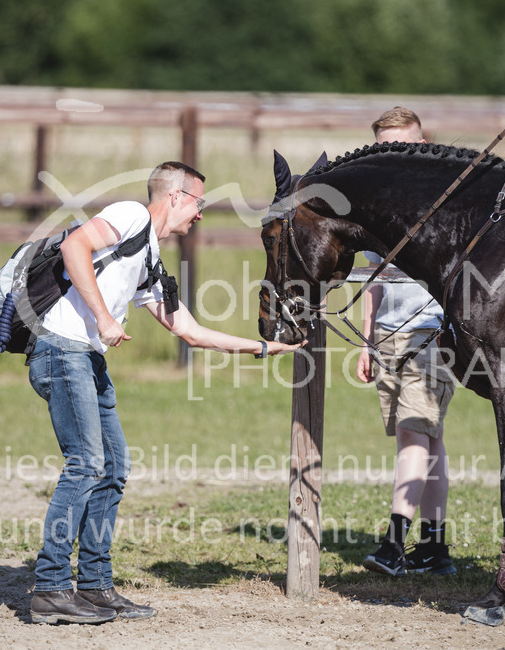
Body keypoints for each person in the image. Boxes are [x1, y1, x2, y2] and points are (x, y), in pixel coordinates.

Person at [28, 161, 303, 624]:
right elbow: (75, 246)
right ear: (175, 196)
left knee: (113, 467)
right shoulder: (131, 215)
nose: (200, 214)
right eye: (198, 202)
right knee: (88, 464)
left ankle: (95, 586)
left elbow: (189, 331)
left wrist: (265, 346)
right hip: (62, 349)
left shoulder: (149, 255)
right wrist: (103, 316)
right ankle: (51, 586)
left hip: (86, 357)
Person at [356, 108, 457, 577]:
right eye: (388, 148)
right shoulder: (379, 204)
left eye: (405, 145)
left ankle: (394, 544)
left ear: (422, 143)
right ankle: (435, 550)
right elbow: (373, 279)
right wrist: (366, 340)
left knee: (414, 431)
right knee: (427, 440)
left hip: (428, 331)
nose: (397, 155)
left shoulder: (443, 198)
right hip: (388, 337)